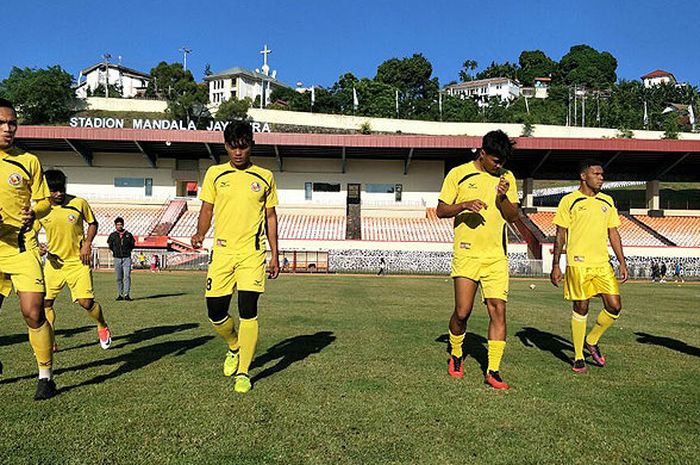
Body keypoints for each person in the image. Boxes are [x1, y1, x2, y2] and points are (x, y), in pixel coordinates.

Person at [191, 120, 280, 394]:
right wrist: (199, 233)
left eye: (243, 147)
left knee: (248, 310)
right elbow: (207, 209)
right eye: (233, 147)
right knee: (215, 312)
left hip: (252, 254)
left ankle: (244, 371)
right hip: (222, 253)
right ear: (226, 146)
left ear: (251, 145)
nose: (238, 153)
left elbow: (271, 217)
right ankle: (233, 345)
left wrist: (274, 254)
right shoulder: (215, 174)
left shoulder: (265, 177)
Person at [438, 130, 519, 390]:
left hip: (496, 256)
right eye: (495, 161)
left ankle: (493, 371)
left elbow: (512, 216)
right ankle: (457, 353)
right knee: (462, 313)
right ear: (482, 153)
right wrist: (463, 205)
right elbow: (440, 210)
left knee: (498, 310)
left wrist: (502, 197)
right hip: (467, 252)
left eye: (502, 162)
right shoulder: (459, 173)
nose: (499, 166)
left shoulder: (507, 178)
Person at [0, 97, 57, 399]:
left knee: (33, 313)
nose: (7, 128)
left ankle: (46, 376)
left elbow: (45, 201)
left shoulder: (28, 160)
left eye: (12, 123)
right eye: (1, 123)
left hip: (22, 249)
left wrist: (35, 212)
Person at [550, 159, 628, 373]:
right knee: (581, 307)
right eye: (597, 174)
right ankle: (578, 356)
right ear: (584, 176)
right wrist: (556, 264)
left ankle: (591, 340)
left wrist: (622, 261)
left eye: (602, 174)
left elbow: (614, 232)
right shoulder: (569, 201)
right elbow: (560, 234)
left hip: (602, 263)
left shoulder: (608, 201)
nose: (601, 178)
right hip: (578, 264)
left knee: (614, 306)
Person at [35, 170, 112, 352]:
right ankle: (50, 337)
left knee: (86, 302)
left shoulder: (78, 203)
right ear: (46, 190)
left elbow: (93, 223)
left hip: (78, 262)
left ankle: (101, 324)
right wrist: (37, 246)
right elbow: (31, 233)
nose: (59, 194)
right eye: (54, 190)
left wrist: (87, 244)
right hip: (54, 264)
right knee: (45, 303)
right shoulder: (40, 209)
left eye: (61, 189)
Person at [107, 217, 135, 300]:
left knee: (127, 276)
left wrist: (127, 252)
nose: (119, 226)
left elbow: (132, 245)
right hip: (117, 258)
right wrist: (116, 252)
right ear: (115, 225)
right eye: (117, 224)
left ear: (123, 225)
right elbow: (110, 245)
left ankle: (126, 294)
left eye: (120, 224)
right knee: (119, 277)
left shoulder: (128, 234)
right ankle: (120, 294)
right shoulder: (112, 235)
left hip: (127, 258)